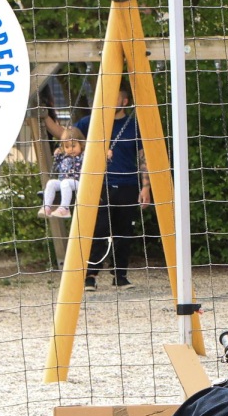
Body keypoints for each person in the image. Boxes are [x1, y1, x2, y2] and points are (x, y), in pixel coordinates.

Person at [50, 83, 152, 289]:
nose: (109, 99)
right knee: (97, 230)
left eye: (115, 96)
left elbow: (144, 157)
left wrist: (146, 187)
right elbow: (66, 135)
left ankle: (120, 275)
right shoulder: (91, 122)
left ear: (124, 101)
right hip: (98, 184)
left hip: (127, 184)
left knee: (124, 233)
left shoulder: (134, 125)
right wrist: (45, 118)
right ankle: (90, 276)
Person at [39, 127, 84, 218]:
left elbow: (98, 164)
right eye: (67, 147)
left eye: (73, 146)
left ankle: (64, 209)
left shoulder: (83, 156)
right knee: (51, 183)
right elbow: (56, 167)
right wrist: (57, 156)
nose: (70, 149)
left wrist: (106, 157)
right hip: (63, 182)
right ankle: (47, 207)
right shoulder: (63, 157)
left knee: (65, 182)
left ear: (81, 144)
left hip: (78, 182)